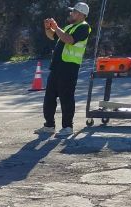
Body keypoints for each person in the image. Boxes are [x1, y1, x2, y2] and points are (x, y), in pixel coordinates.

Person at [37, 3, 91, 137]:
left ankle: (67, 127)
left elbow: (69, 40)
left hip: (69, 68)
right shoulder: (68, 27)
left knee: (66, 98)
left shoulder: (84, 27)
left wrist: (56, 27)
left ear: (80, 14)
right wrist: (48, 28)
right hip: (57, 67)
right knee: (49, 97)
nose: (71, 14)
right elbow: (52, 36)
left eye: (73, 12)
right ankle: (49, 125)